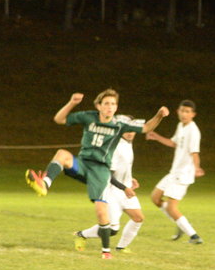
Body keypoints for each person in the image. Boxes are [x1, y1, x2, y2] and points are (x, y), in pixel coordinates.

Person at [25, 90, 169, 259]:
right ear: (98, 106)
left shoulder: (119, 124)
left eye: (113, 104)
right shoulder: (89, 117)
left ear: (116, 107)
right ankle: (45, 184)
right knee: (62, 154)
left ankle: (106, 251)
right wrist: (72, 103)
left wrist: (159, 115)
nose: (110, 107)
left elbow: (146, 127)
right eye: (106, 103)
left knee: (102, 213)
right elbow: (59, 119)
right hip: (85, 164)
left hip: (101, 171)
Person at [74, 117, 146, 253]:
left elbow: (121, 167)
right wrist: (124, 187)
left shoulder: (127, 144)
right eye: (127, 130)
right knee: (112, 229)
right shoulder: (116, 146)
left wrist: (129, 178)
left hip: (125, 189)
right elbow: (107, 174)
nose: (130, 133)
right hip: (113, 191)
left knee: (138, 218)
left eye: (132, 130)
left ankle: (121, 247)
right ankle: (81, 235)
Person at [145, 100, 205, 244]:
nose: (184, 114)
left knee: (171, 208)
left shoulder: (193, 130)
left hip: (183, 174)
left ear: (193, 114)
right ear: (178, 111)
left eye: (187, 112)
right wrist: (156, 136)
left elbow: (195, 152)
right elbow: (174, 143)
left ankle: (194, 236)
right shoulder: (181, 126)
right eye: (182, 111)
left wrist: (197, 167)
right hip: (174, 172)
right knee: (155, 198)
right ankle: (181, 223)